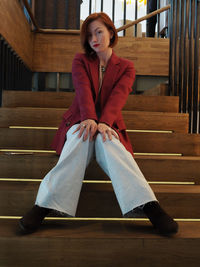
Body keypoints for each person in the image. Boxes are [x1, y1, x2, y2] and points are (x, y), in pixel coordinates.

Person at [19, 12, 178, 236]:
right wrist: (90, 119)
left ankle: (149, 206)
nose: (94, 38)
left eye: (99, 32)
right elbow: (83, 90)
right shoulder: (80, 60)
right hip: (80, 119)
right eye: (90, 34)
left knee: (109, 142)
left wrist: (103, 122)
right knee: (80, 138)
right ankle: (43, 205)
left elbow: (118, 97)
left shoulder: (126, 67)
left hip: (109, 123)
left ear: (111, 32)